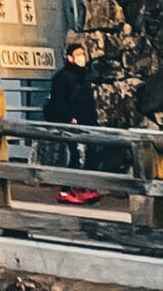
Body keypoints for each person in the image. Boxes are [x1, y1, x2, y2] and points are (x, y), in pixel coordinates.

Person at [44, 37, 101, 204]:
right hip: (70, 123)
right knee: (75, 155)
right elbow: (58, 100)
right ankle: (66, 190)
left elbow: (88, 102)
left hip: (86, 121)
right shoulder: (62, 77)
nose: (82, 58)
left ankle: (84, 187)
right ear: (70, 58)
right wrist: (69, 117)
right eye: (78, 55)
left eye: (83, 54)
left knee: (88, 154)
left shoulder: (85, 76)